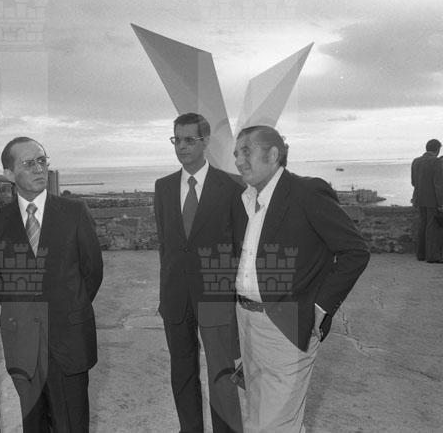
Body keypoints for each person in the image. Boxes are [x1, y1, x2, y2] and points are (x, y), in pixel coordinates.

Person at [231, 125, 370, 432]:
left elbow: (355, 251)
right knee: (257, 415)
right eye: (236, 154)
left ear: (273, 154)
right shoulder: (248, 199)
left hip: (287, 322)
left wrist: (320, 306)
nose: (238, 161)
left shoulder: (307, 192)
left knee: (275, 424)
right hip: (247, 320)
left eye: (246, 152)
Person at [0, 136, 103, 432]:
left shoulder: (74, 212)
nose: (39, 168)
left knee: (72, 425)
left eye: (42, 160)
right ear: (9, 174)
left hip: (69, 340)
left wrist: (69, 305)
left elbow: (92, 272)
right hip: (22, 343)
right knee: (33, 424)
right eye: (28, 163)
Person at [154, 113, 244, 433]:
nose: (181, 146)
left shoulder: (231, 187)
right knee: (182, 371)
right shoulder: (163, 187)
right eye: (176, 139)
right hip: (175, 297)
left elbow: (241, 246)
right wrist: (166, 292)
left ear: (205, 141)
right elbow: (166, 245)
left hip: (216, 295)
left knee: (221, 372)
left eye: (189, 140)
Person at [411, 139, 443, 262]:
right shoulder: (436, 162)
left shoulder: (416, 161)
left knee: (421, 226)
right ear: (437, 149)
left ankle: (421, 254)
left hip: (419, 199)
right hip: (433, 200)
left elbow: (413, 182)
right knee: (432, 229)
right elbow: (438, 185)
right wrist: (441, 203)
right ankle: (432, 256)